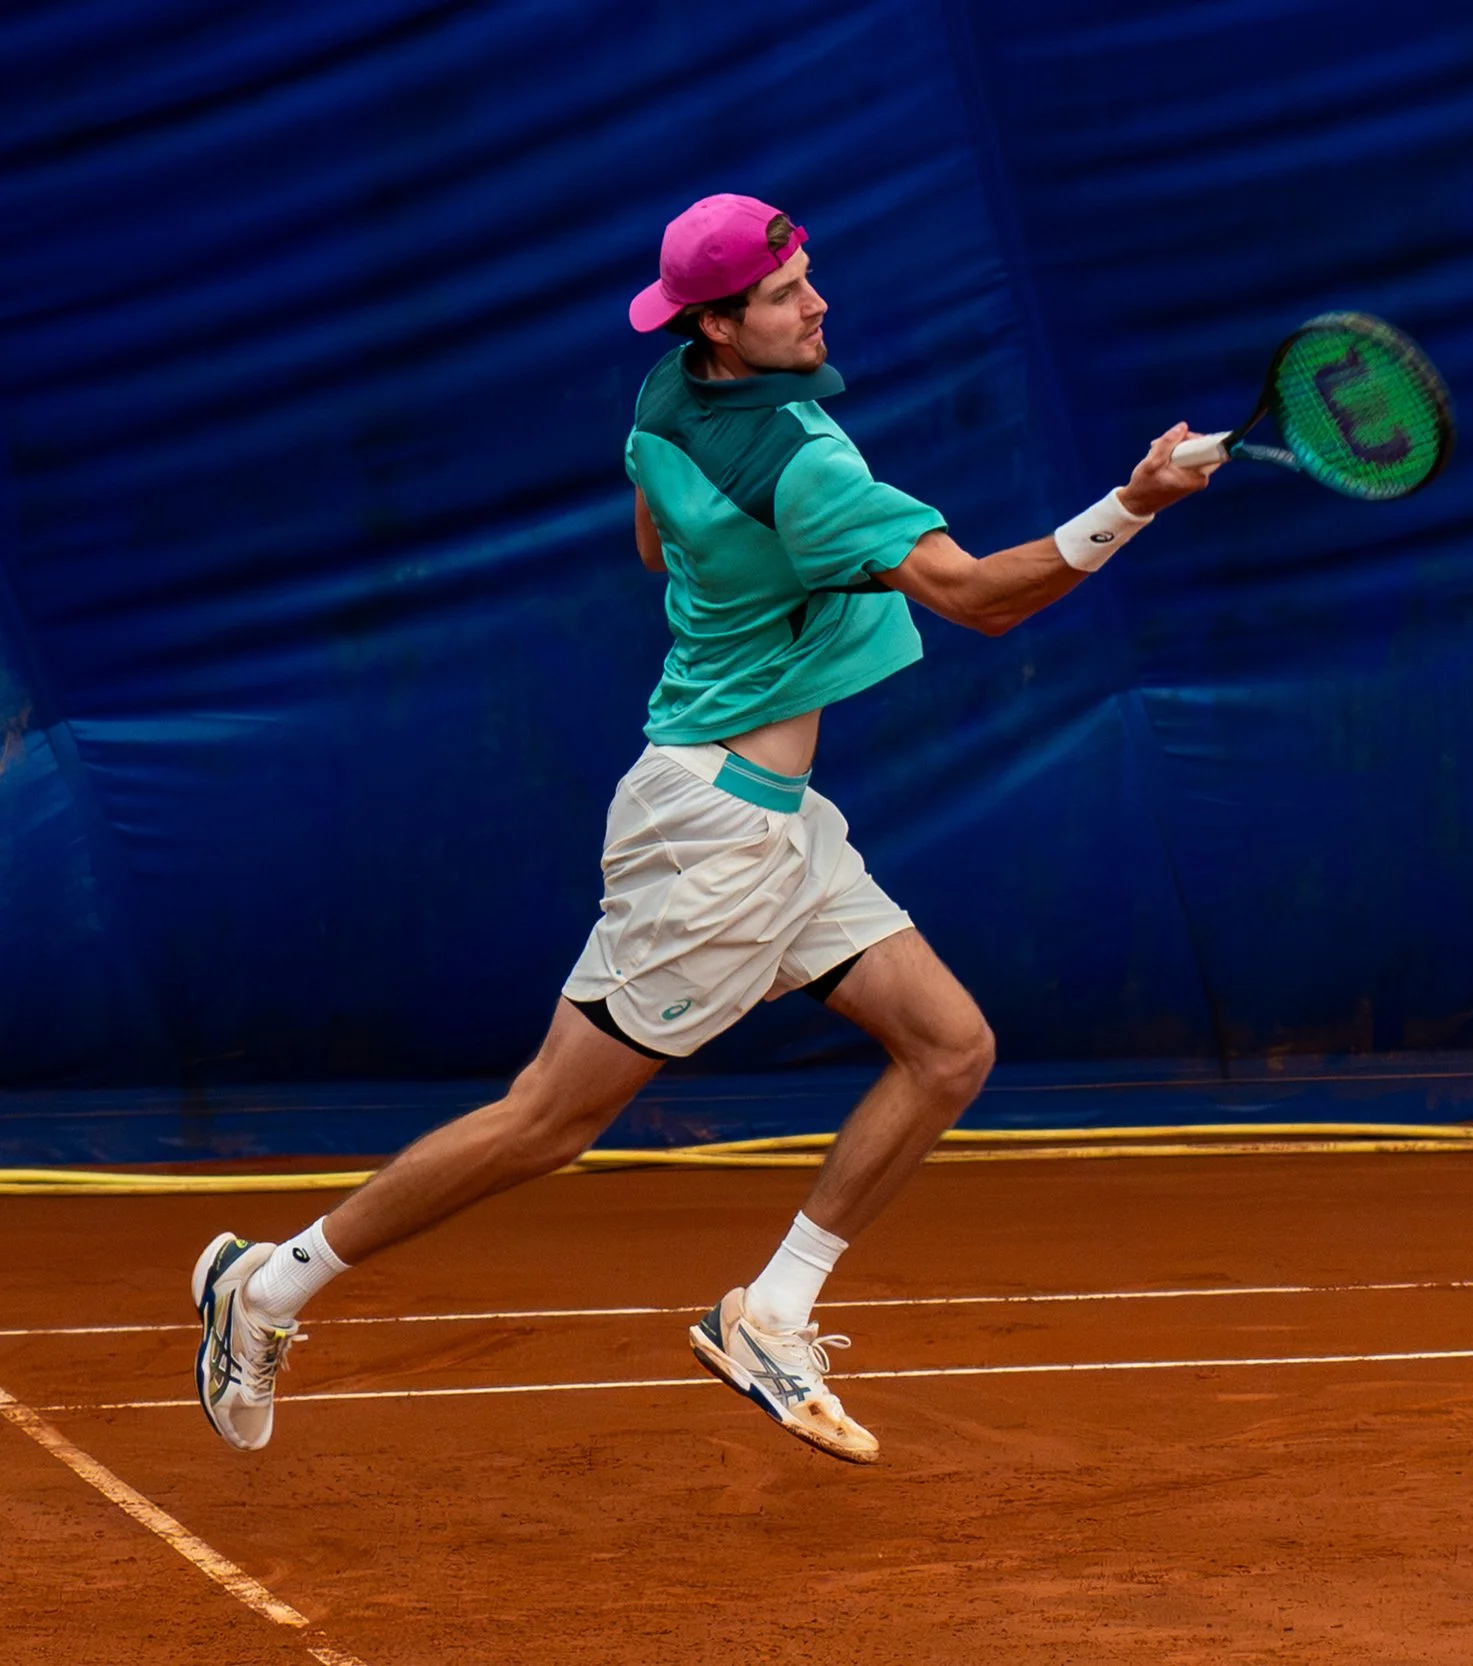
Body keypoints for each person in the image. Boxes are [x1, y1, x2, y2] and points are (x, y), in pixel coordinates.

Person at [190, 193, 1218, 1463]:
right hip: (713, 841)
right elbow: (975, 599)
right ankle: (268, 1286)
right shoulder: (804, 459)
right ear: (724, 324)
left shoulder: (665, 396)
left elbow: (652, 541)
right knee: (546, 1122)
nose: (819, 303)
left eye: (810, 278)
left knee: (948, 1048)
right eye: (788, 294)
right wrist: (1135, 502)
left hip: (771, 819)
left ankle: (773, 1311)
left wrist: (765, 577)